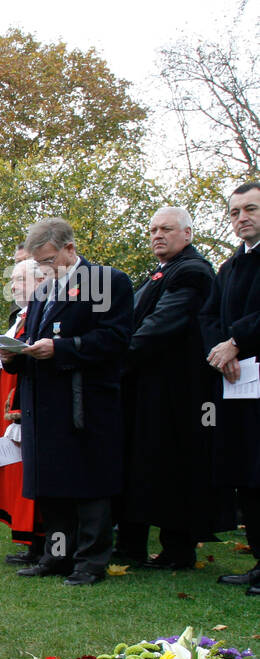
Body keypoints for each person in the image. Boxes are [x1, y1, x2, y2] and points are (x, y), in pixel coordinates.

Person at [1, 217, 134, 585]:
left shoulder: (106, 281)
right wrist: (17, 355)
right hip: (45, 404)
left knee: (89, 484)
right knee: (54, 488)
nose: (43, 269)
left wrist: (62, 348)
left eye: (47, 260)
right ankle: (56, 556)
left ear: (69, 249)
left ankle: (90, 562)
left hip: (85, 403)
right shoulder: (44, 293)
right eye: (38, 263)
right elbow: (37, 342)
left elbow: (116, 339)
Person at [118, 207, 230, 569]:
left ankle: (178, 549)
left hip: (177, 391)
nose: (156, 235)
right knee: (148, 465)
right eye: (152, 229)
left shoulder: (193, 272)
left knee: (172, 465)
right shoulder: (162, 272)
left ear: (188, 234)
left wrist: (116, 357)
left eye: (166, 229)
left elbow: (160, 324)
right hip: (151, 385)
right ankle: (139, 544)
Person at [202, 181, 260, 595]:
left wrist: (237, 340)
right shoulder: (229, 267)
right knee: (248, 476)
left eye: (251, 209)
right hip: (238, 385)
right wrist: (221, 349)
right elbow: (208, 317)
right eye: (236, 212)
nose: (242, 218)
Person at [0, 258, 45, 563]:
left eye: (19, 280)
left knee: (29, 475)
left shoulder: (39, 317)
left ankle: (39, 543)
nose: (13, 286)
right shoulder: (21, 317)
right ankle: (29, 540)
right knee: (16, 474)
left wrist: (15, 412)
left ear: (39, 281)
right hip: (10, 408)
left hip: (23, 410)